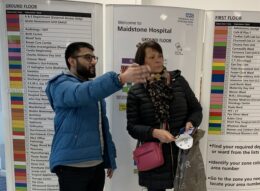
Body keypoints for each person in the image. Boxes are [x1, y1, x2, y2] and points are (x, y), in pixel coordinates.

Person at [45, 42, 150, 191]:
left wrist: (109, 158)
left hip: (96, 166)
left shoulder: (93, 90)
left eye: (94, 57)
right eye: (88, 57)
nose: (93, 61)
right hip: (71, 167)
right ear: (71, 60)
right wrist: (119, 79)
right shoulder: (60, 84)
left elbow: (102, 127)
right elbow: (79, 93)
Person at [126, 40, 203, 191]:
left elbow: (196, 109)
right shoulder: (136, 91)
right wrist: (154, 132)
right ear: (142, 62)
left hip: (182, 152)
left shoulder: (178, 82)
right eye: (152, 57)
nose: (158, 59)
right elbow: (132, 127)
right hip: (155, 157)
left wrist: (191, 123)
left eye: (160, 55)